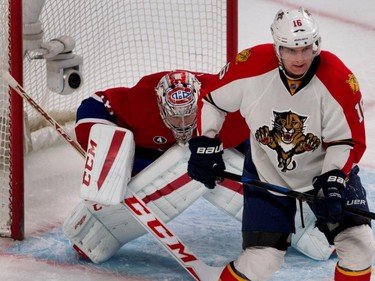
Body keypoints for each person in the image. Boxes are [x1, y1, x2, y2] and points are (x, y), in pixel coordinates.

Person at [187, 7, 375, 281]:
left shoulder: (338, 80)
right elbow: (212, 100)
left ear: (316, 45)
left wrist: (334, 179)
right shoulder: (249, 66)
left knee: (360, 245)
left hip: (324, 173)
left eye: (306, 48)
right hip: (267, 172)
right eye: (290, 50)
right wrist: (206, 142)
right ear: (277, 48)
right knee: (261, 260)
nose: (299, 58)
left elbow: (347, 140)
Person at [63, 70, 250, 263]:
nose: (184, 123)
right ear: (161, 107)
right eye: (175, 117)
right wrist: (107, 151)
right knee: (124, 165)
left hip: (212, 143)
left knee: (255, 162)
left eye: (189, 114)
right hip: (149, 151)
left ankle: (276, 224)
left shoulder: (225, 103)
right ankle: (100, 223)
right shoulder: (140, 103)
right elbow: (95, 103)